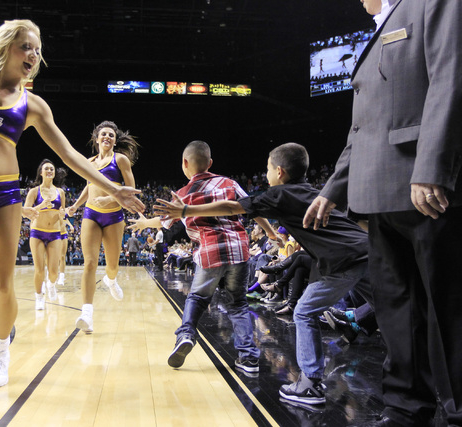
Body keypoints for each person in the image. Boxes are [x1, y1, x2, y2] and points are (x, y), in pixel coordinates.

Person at [0, 20, 143, 396]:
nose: (33, 54)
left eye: (37, 49)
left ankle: (1, 352)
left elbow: (69, 154)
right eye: (25, 46)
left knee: (1, 285)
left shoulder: (33, 105)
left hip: (3, 193)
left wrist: (114, 188)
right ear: (5, 47)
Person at [303, 1, 462, 425]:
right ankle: (405, 407)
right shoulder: (383, 23)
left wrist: (431, 167)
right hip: (378, 193)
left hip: (424, 187)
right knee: (397, 312)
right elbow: (362, 128)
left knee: (449, 311)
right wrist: (332, 190)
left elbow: (450, 78)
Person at [155, 142, 373, 406]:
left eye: (267, 168)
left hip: (344, 259)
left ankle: (310, 386)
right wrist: (270, 233)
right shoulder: (313, 191)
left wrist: (186, 211)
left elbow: (231, 208)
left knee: (304, 312)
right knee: (389, 311)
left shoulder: (277, 195)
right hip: (370, 251)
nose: (266, 173)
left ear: (279, 172)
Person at [130, 140, 261, 374]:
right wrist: (270, 231)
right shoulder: (229, 183)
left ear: (184, 163)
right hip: (238, 250)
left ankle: (186, 334)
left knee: (197, 298)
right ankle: (249, 358)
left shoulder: (183, 195)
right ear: (210, 163)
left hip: (210, 251)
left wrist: (144, 223)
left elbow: (164, 221)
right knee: (238, 304)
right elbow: (252, 207)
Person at [67, 120, 140, 334]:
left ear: (115, 141)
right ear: (96, 138)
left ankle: (111, 279)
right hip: (91, 214)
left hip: (113, 216)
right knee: (89, 262)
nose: (107, 137)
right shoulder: (89, 162)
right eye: (104, 134)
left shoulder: (120, 160)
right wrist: (75, 205)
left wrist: (109, 199)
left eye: (111, 135)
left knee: (112, 265)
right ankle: (87, 314)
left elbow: (131, 189)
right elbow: (89, 187)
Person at [24, 159, 65, 310]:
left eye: (51, 169)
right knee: (39, 269)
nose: (49, 171)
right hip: (37, 233)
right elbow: (25, 212)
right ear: (41, 172)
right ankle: (39, 297)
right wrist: (41, 206)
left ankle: (51, 284)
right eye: (46, 169)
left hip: (55, 233)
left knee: (53, 272)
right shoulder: (34, 191)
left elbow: (62, 214)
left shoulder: (60, 192)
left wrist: (63, 214)